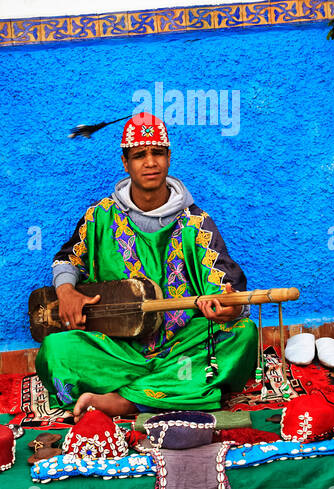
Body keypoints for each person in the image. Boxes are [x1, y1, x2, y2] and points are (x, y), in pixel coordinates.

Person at [36, 113, 259, 418]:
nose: (150, 162)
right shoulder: (100, 217)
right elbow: (67, 259)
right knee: (55, 352)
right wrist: (65, 291)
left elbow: (225, 289)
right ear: (125, 163)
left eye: (157, 153)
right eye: (139, 155)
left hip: (182, 345)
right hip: (118, 349)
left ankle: (127, 401)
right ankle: (171, 391)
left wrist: (228, 307)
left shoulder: (197, 223)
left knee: (243, 335)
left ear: (169, 157)